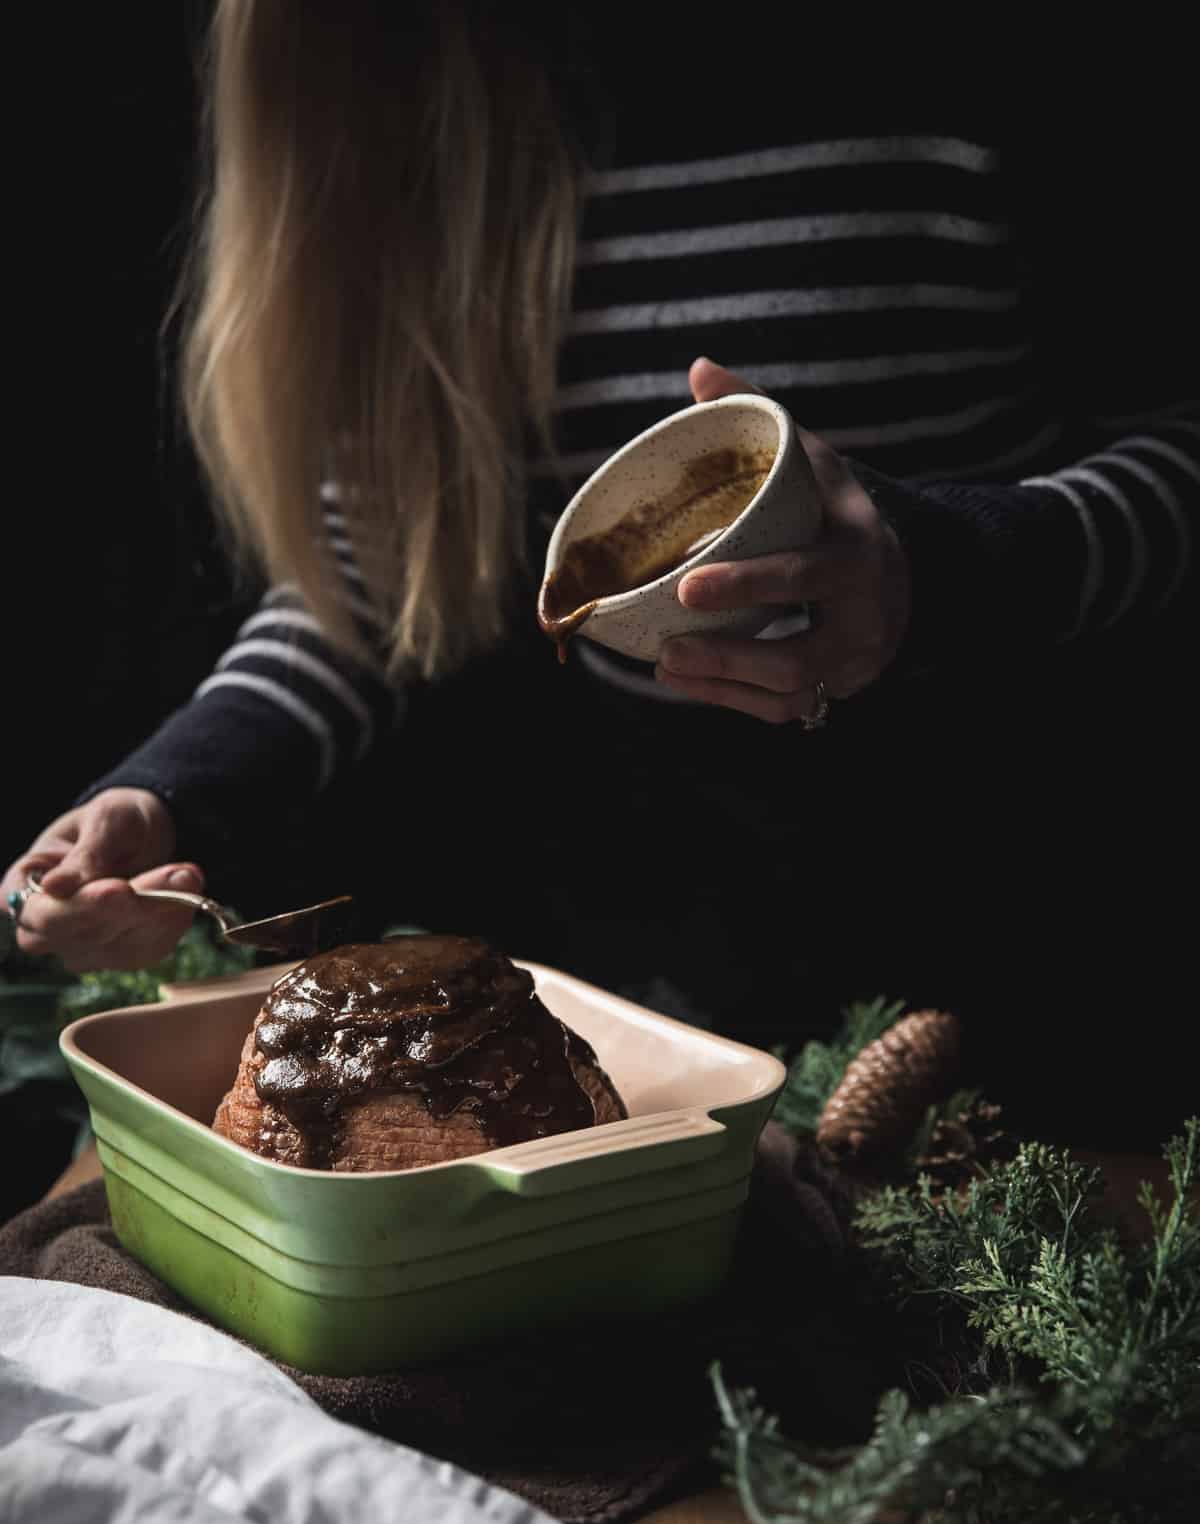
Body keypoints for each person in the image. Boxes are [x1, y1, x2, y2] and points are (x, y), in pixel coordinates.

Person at [5, 5, 1197, 1142]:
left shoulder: (1000, 48)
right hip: (687, 998)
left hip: (1088, 939)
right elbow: (377, 579)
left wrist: (950, 567)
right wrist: (167, 796)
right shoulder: (419, 82)